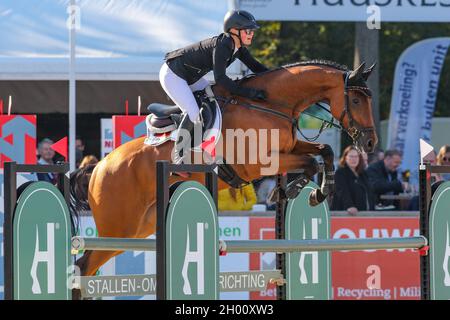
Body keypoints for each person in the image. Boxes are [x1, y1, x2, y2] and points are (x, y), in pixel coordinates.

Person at [160, 10, 269, 164]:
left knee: (215, 101)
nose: (251, 34)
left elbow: (257, 67)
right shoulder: (224, 45)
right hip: (173, 74)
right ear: (234, 31)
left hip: (192, 77)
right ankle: (178, 155)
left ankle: (204, 145)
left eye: (252, 31)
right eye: (248, 30)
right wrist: (249, 93)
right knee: (194, 113)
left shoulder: (239, 48)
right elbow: (221, 79)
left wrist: (280, 77)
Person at [331, 146, 375, 215]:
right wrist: (349, 205)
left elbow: (369, 191)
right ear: (345, 158)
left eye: (356, 156)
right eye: (351, 156)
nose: (354, 159)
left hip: (365, 213)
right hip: (345, 213)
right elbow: (342, 191)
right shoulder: (340, 173)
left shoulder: (363, 173)